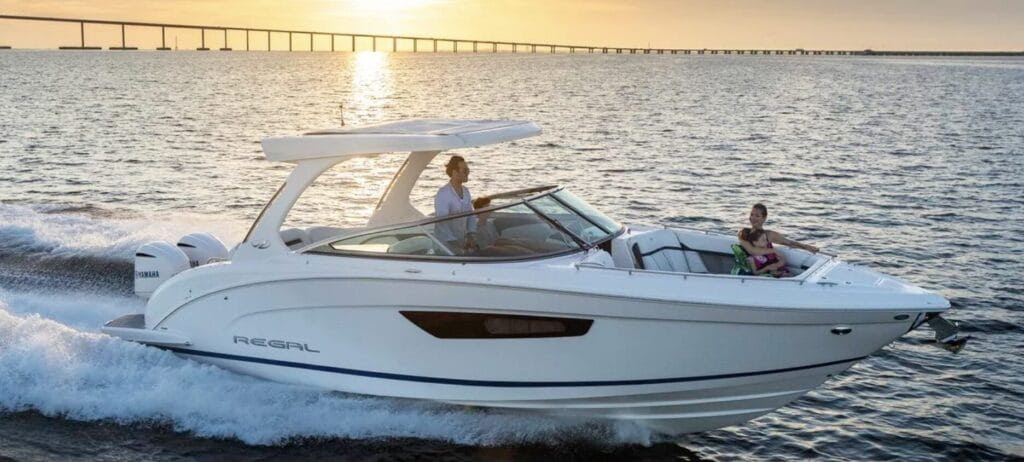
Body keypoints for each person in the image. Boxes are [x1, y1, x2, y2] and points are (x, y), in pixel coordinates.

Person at [737, 203, 819, 256]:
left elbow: (789, 242)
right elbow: (752, 251)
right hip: (748, 269)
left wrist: (807, 247)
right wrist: (773, 251)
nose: (753, 218)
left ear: (764, 218)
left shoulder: (769, 235)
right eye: (752, 214)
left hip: (764, 268)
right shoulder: (743, 233)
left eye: (757, 216)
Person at [434, 155, 477, 253]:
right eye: (465, 170)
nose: (468, 173)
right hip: (445, 248)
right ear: (454, 172)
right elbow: (441, 223)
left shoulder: (466, 192)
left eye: (468, 170)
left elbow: (470, 215)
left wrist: (471, 234)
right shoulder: (443, 194)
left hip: (462, 245)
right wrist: (455, 243)